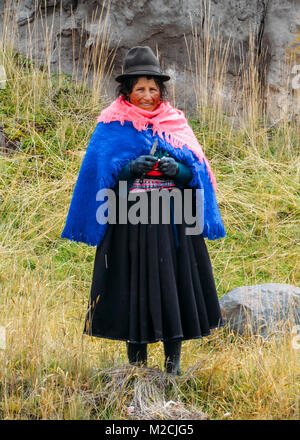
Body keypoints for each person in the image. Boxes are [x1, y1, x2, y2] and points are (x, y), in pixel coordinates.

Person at [61, 46, 226, 376]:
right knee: (132, 288)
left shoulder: (174, 123)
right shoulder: (111, 126)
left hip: (172, 223)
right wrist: (127, 169)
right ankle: (136, 369)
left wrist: (176, 171)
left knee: (174, 287)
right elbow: (97, 175)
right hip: (129, 223)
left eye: (153, 88)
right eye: (140, 89)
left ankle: (173, 367)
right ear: (127, 91)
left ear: (160, 90)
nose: (148, 95)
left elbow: (196, 173)